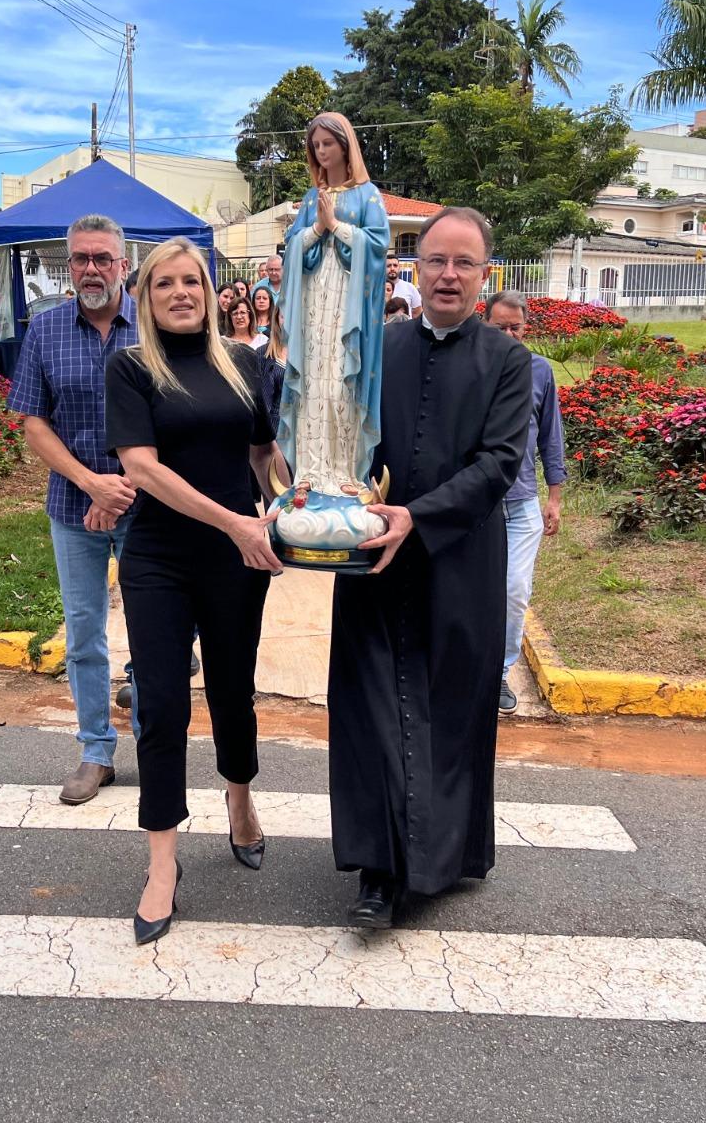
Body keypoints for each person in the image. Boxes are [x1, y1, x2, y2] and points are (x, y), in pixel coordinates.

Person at [328, 206, 533, 929]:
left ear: (485, 275)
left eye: (463, 263)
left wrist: (418, 517)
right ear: (417, 269)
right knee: (371, 711)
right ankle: (379, 874)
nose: (448, 275)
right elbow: (347, 441)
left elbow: (500, 464)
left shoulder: (509, 362)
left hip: (458, 563)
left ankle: (441, 861)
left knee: (448, 715)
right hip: (374, 560)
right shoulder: (379, 348)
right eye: (436, 261)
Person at [105, 236, 286, 945]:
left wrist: (297, 507)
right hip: (159, 557)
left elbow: (263, 453)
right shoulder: (130, 368)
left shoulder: (244, 363)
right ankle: (161, 862)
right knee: (161, 704)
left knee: (235, 689)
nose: (181, 292)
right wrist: (235, 523)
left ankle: (240, 799)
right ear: (145, 297)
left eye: (192, 281)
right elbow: (142, 469)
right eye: (163, 284)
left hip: (238, 558)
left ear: (211, 293)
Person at [8, 214, 140, 806]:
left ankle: (156, 740)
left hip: (148, 507)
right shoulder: (45, 329)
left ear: (124, 265)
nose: (91, 269)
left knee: (157, 628)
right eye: (81, 258)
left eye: (102, 258)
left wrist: (122, 490)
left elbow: (176, 419)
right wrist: (93, 486)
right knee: (85, 633)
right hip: (72, 506)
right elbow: (33, 424)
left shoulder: (156, 326)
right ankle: (95, 751)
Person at [276, 112, 390, 503]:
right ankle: (307, 470)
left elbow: (377, 246)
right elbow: (293, 248)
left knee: (344, 382)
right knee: (311, 382)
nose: (321, 151)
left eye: (327, 143)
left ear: (345, 145)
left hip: (349, 305)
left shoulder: (368, 194)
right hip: (313, 305)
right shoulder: (312, 198)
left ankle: (345, 470)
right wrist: (318, 228)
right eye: (316, 146)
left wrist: (338, 227)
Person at [483, 291, 566, 713]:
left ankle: (498, 674)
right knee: (471, 594)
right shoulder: (474, 366)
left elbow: (551, 434)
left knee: (514, 591)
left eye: (516, 327)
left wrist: (554, 497)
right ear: (485, 325)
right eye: (501, 328)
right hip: (476, 506)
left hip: (521, 505)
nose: (510, 335)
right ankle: (464, 669)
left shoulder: (540, 370)